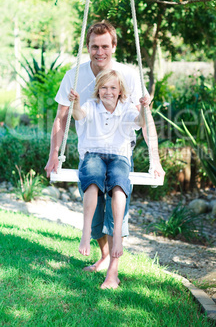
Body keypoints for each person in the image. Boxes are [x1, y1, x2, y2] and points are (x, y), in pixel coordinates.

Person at [45, 20, 165, 289]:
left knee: (115, 209)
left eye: (104, 46)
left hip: (120, 153)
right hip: (90, 152)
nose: (99, 52)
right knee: (96, 211)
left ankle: (113, 271)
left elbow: (145, 119)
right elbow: (62, 118)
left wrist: (155, 159)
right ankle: (102, 257)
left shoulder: (128, 76)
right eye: (94, 46)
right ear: (87, 47)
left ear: (114, 47)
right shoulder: (74, 76)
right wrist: (54, 154)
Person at [68, 69, 148, 270]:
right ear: (98, 90)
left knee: (119, 185)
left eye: (113, 87)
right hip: (93, 153)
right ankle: (85, 233)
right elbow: (79, 115)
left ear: (120, 90)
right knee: (93, 180)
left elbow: (140, 122)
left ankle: (118, 236)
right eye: (104, 87)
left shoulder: (127, 108)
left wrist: (145, 108)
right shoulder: (91, 105)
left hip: (119, 156)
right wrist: (75, 104)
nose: (108, 91)